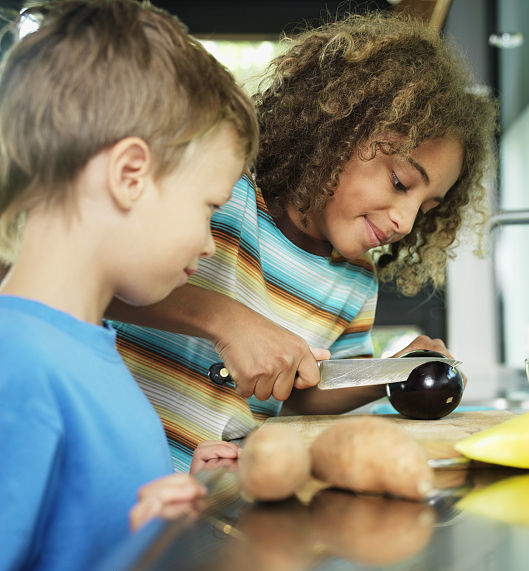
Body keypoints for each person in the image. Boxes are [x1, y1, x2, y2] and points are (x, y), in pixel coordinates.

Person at [109, 12, 498, 471]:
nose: (407, 222)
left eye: (426, 208)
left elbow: (303, 394)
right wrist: (226, 320)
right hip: (112, 471)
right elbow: (96, 281)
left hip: (204, 493)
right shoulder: (220, 197)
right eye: (399, 182)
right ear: (337, 132)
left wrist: (388, 374)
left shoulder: (355, 281)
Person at [0, 0, 258, 571]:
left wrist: (181, 501)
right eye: (207, 208)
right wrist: (127, 565)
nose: (210, 243)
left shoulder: (87, 345)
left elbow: (86, 535)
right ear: (129, 175)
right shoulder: (16, 364)